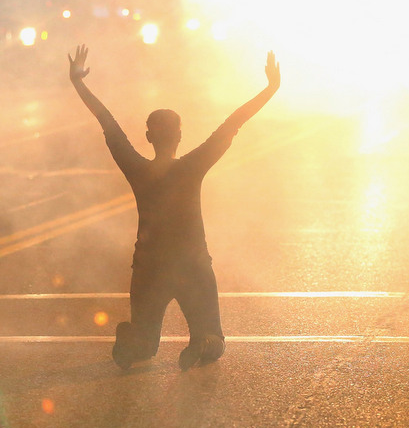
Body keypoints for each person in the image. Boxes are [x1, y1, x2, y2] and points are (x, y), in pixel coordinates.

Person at [68, 44, 280, 370]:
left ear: (148, 137)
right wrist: (270, 88)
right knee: (213, 337)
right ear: (180, 136)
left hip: (149, 268)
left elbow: (107, 122)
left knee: (142, 345)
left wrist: (79, 83)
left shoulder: (137, 169)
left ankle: (134, 339)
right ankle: (204, 341)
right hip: (193, 264)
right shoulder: (192, 167)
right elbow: (233, 123)